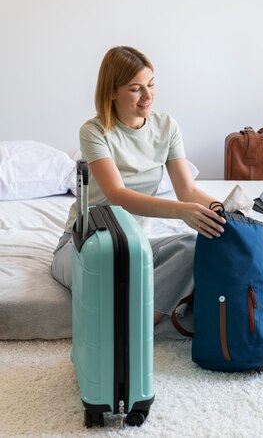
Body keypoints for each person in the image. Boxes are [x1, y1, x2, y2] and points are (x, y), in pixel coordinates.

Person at [51, 45, 225, 325]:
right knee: (105, 271)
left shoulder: (166, 126)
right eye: (135, 89)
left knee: (193, 247)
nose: (148, 96)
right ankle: (138, 321)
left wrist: (220, 210)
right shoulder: (94, 131)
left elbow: (187, 191)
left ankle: (140, 324)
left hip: (136, 245)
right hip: (86, 243)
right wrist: (182, 211)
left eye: (151, 85)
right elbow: (118, 195)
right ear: (112, 91)